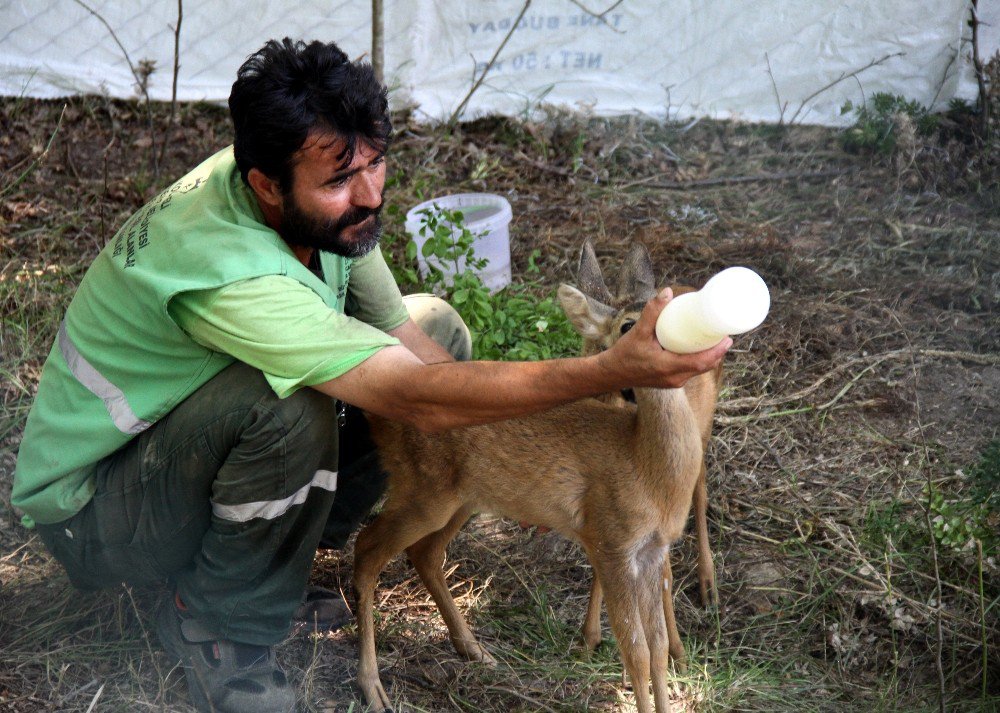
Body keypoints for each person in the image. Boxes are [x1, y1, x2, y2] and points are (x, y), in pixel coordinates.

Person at [12, 38, 730, 713]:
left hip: (174, 457)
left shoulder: (317, 196)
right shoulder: (229, 269)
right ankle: (214, 620)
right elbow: (412, 394)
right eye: (342, 179)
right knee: (286, 409)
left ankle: (280, 550)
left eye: (376, 163)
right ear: (266, 184)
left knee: (442, 326)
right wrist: (607, 370)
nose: (370, 194)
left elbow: (421, 351)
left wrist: (522, 452)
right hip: (96, 512)